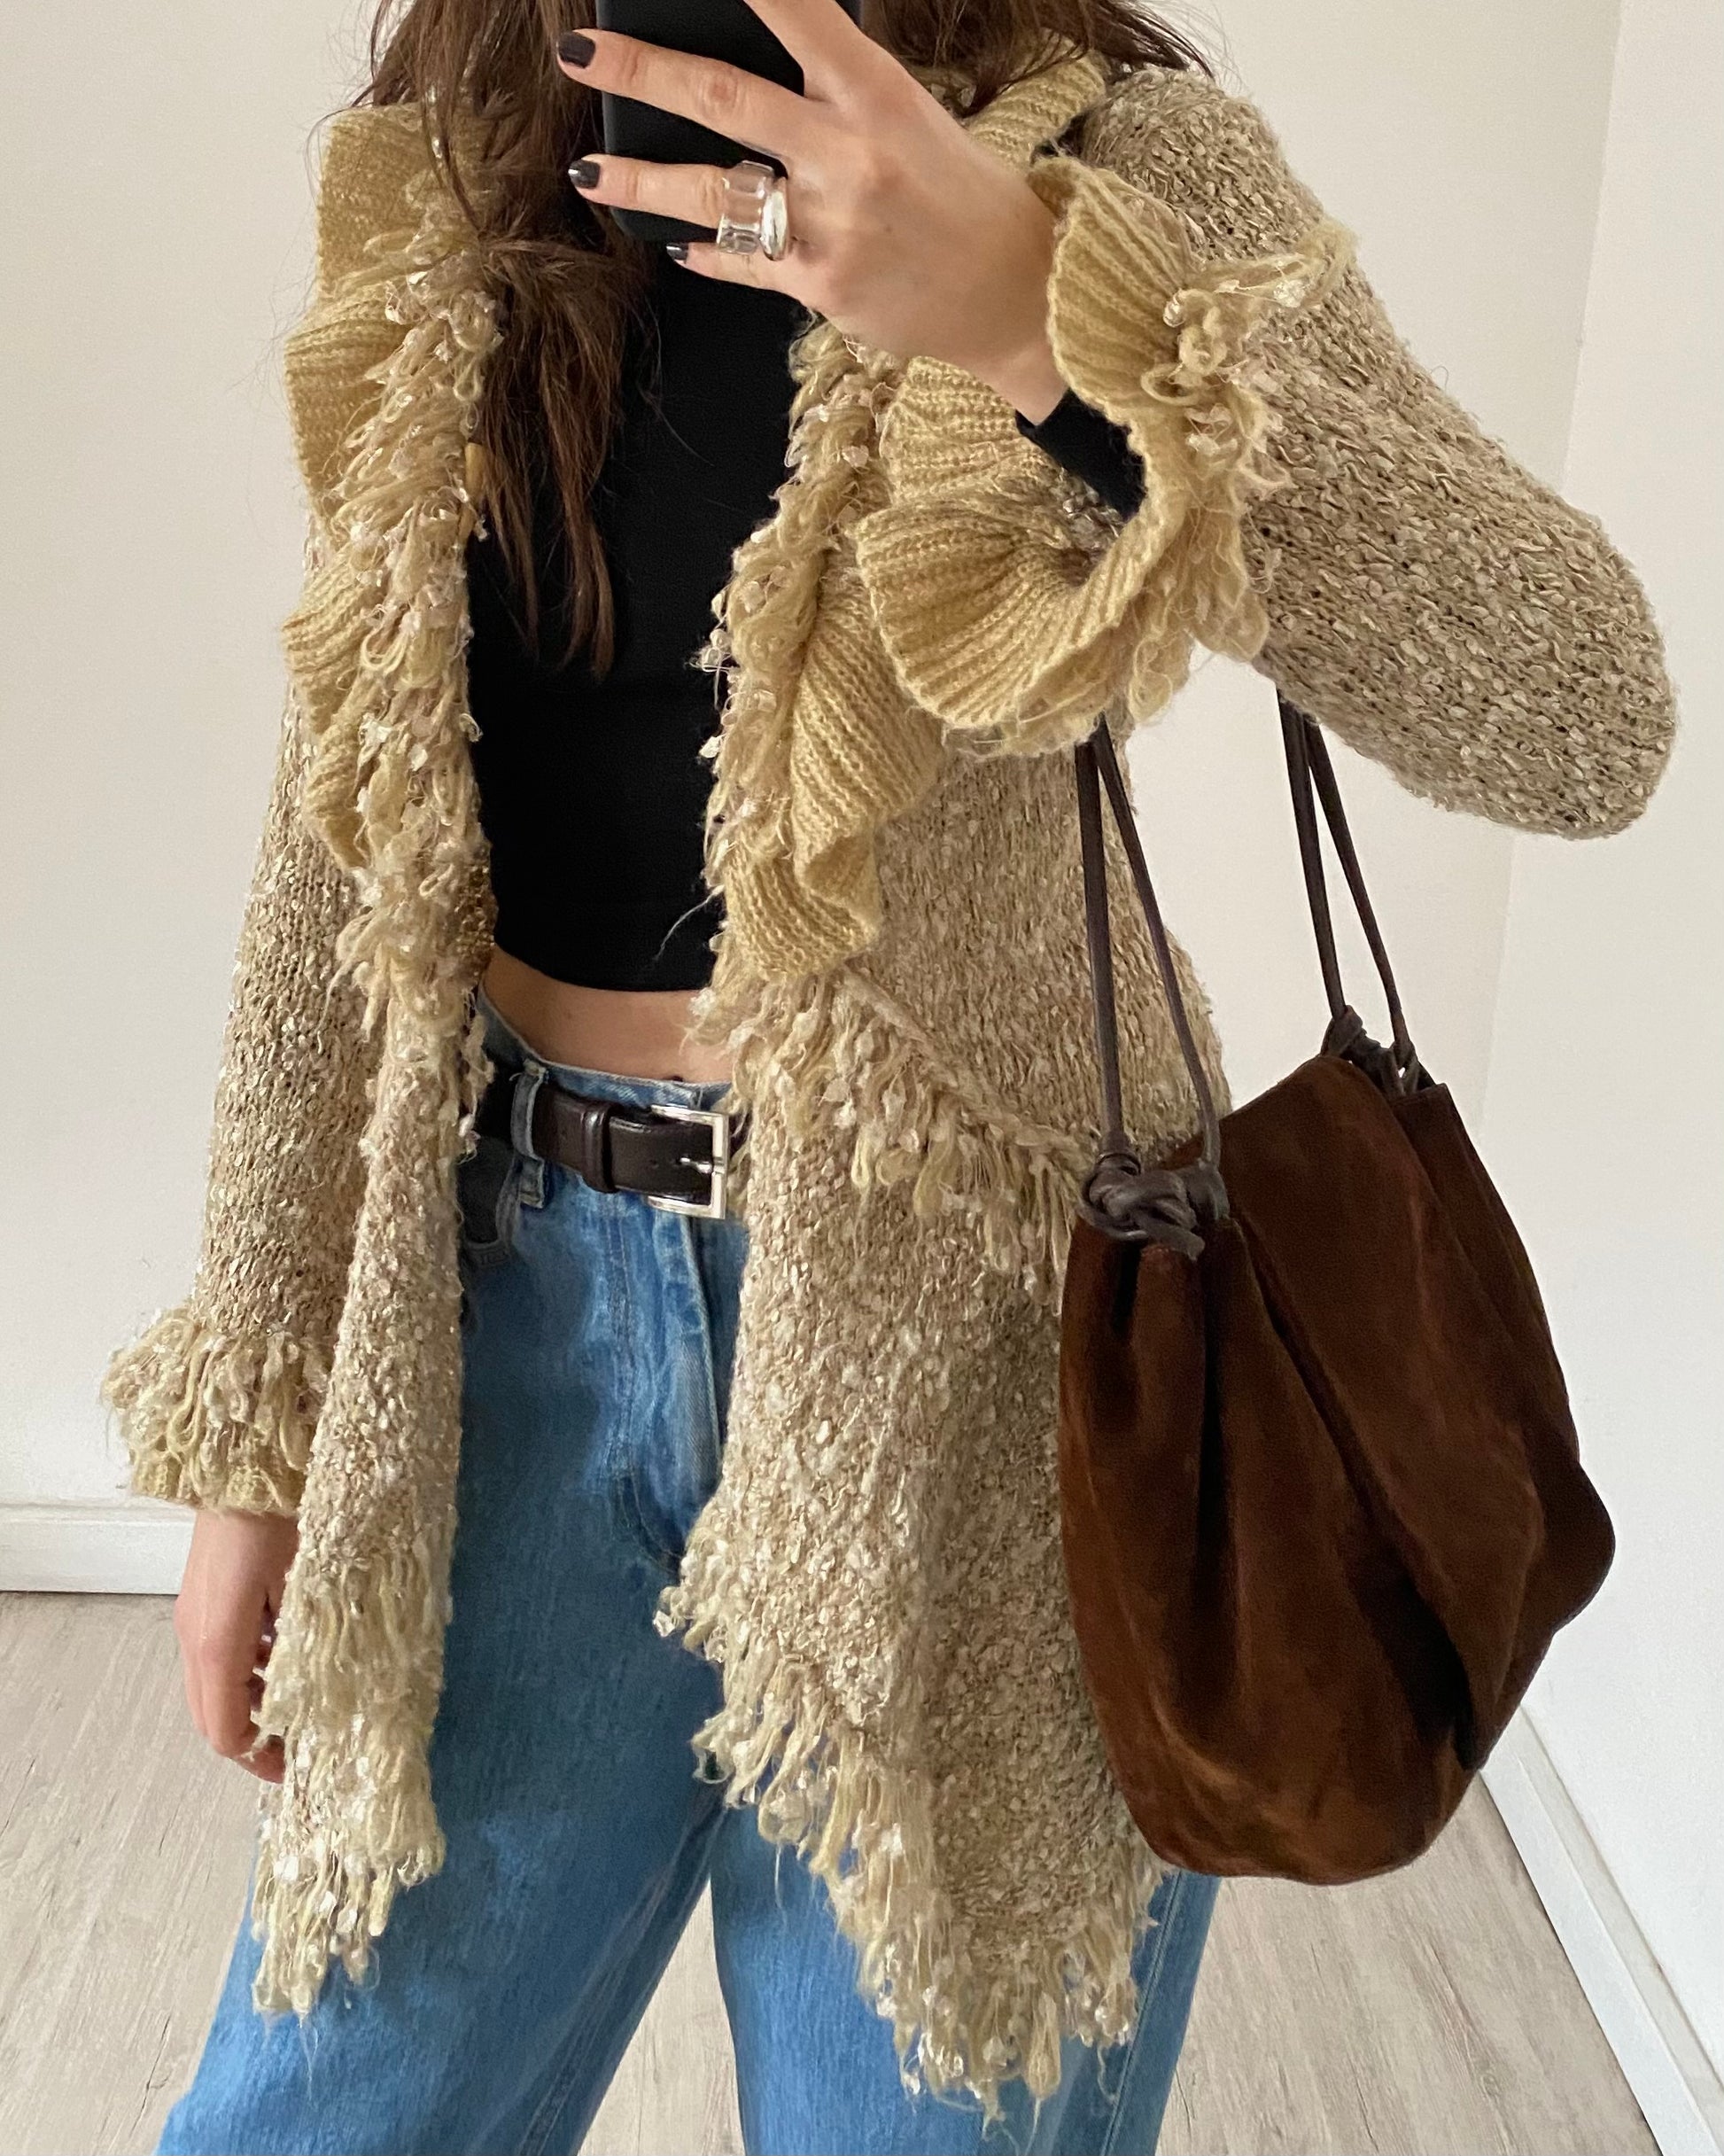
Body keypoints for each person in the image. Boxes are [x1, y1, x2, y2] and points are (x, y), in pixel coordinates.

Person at [105, 0, 1676, 2147]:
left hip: (989, 1386)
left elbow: (1580, 713)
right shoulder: (464, 150)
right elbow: (346, 821)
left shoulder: (1109, 152)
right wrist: (266, 1417)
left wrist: (1051, 321)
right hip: (501, 1331)